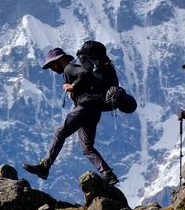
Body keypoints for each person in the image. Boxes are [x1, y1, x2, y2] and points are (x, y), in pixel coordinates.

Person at [23, 47, 119, 185]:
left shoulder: (68, 68)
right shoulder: (74, 67)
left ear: (59, 60)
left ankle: (45, 166)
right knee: (87, 147)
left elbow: (85, 74)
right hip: (95, 109)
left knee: (60, 131)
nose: (52, 68)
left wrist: (73, 86)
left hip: (85, 108)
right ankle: (108, 174)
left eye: (52, 64)